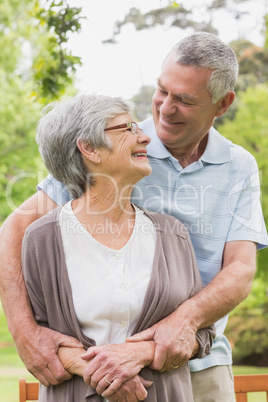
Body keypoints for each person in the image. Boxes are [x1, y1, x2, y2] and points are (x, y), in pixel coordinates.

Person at [0, 31, 267, 401]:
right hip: (99, 366)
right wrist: (24, 330)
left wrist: (183, 322)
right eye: (163, 90)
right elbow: (16, 229)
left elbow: (240, 269)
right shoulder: (113, 143)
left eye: (185, 100)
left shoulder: (238, 166)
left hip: (200, 360)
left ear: (222, 105)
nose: (164, 108)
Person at [21, 93, 215, 402]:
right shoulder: (42, 239)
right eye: (128, 128)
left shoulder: (173, 235)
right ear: (89, 148)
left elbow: (203, 334)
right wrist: (99, 372)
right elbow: (40, 339)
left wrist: (141, 353)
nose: (145, 138)